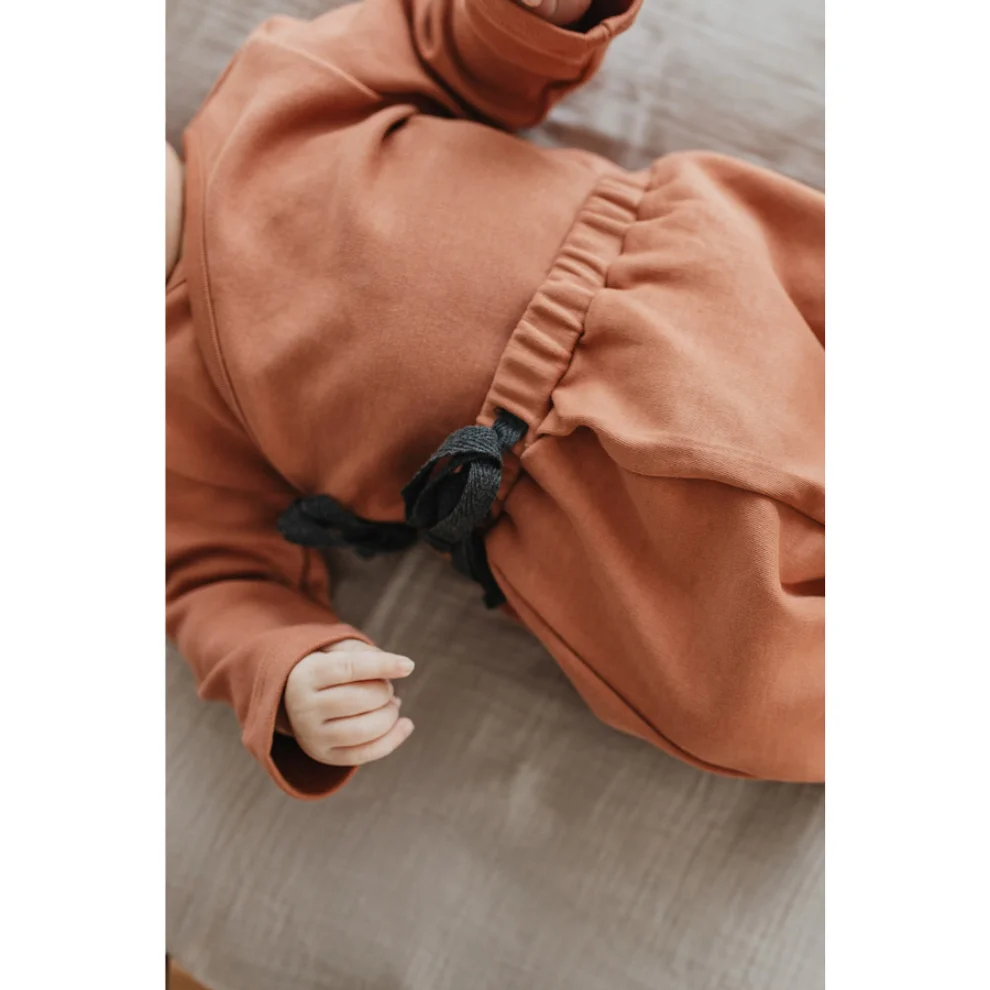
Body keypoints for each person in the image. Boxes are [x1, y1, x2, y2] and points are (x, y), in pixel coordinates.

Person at [166, 0, 824, 799]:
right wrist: (292, 673)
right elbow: (214, 581)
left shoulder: (277, 87)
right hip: (582, 513)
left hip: (669, 276)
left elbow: (450, 46)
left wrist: (526, 14)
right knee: (736, 694)